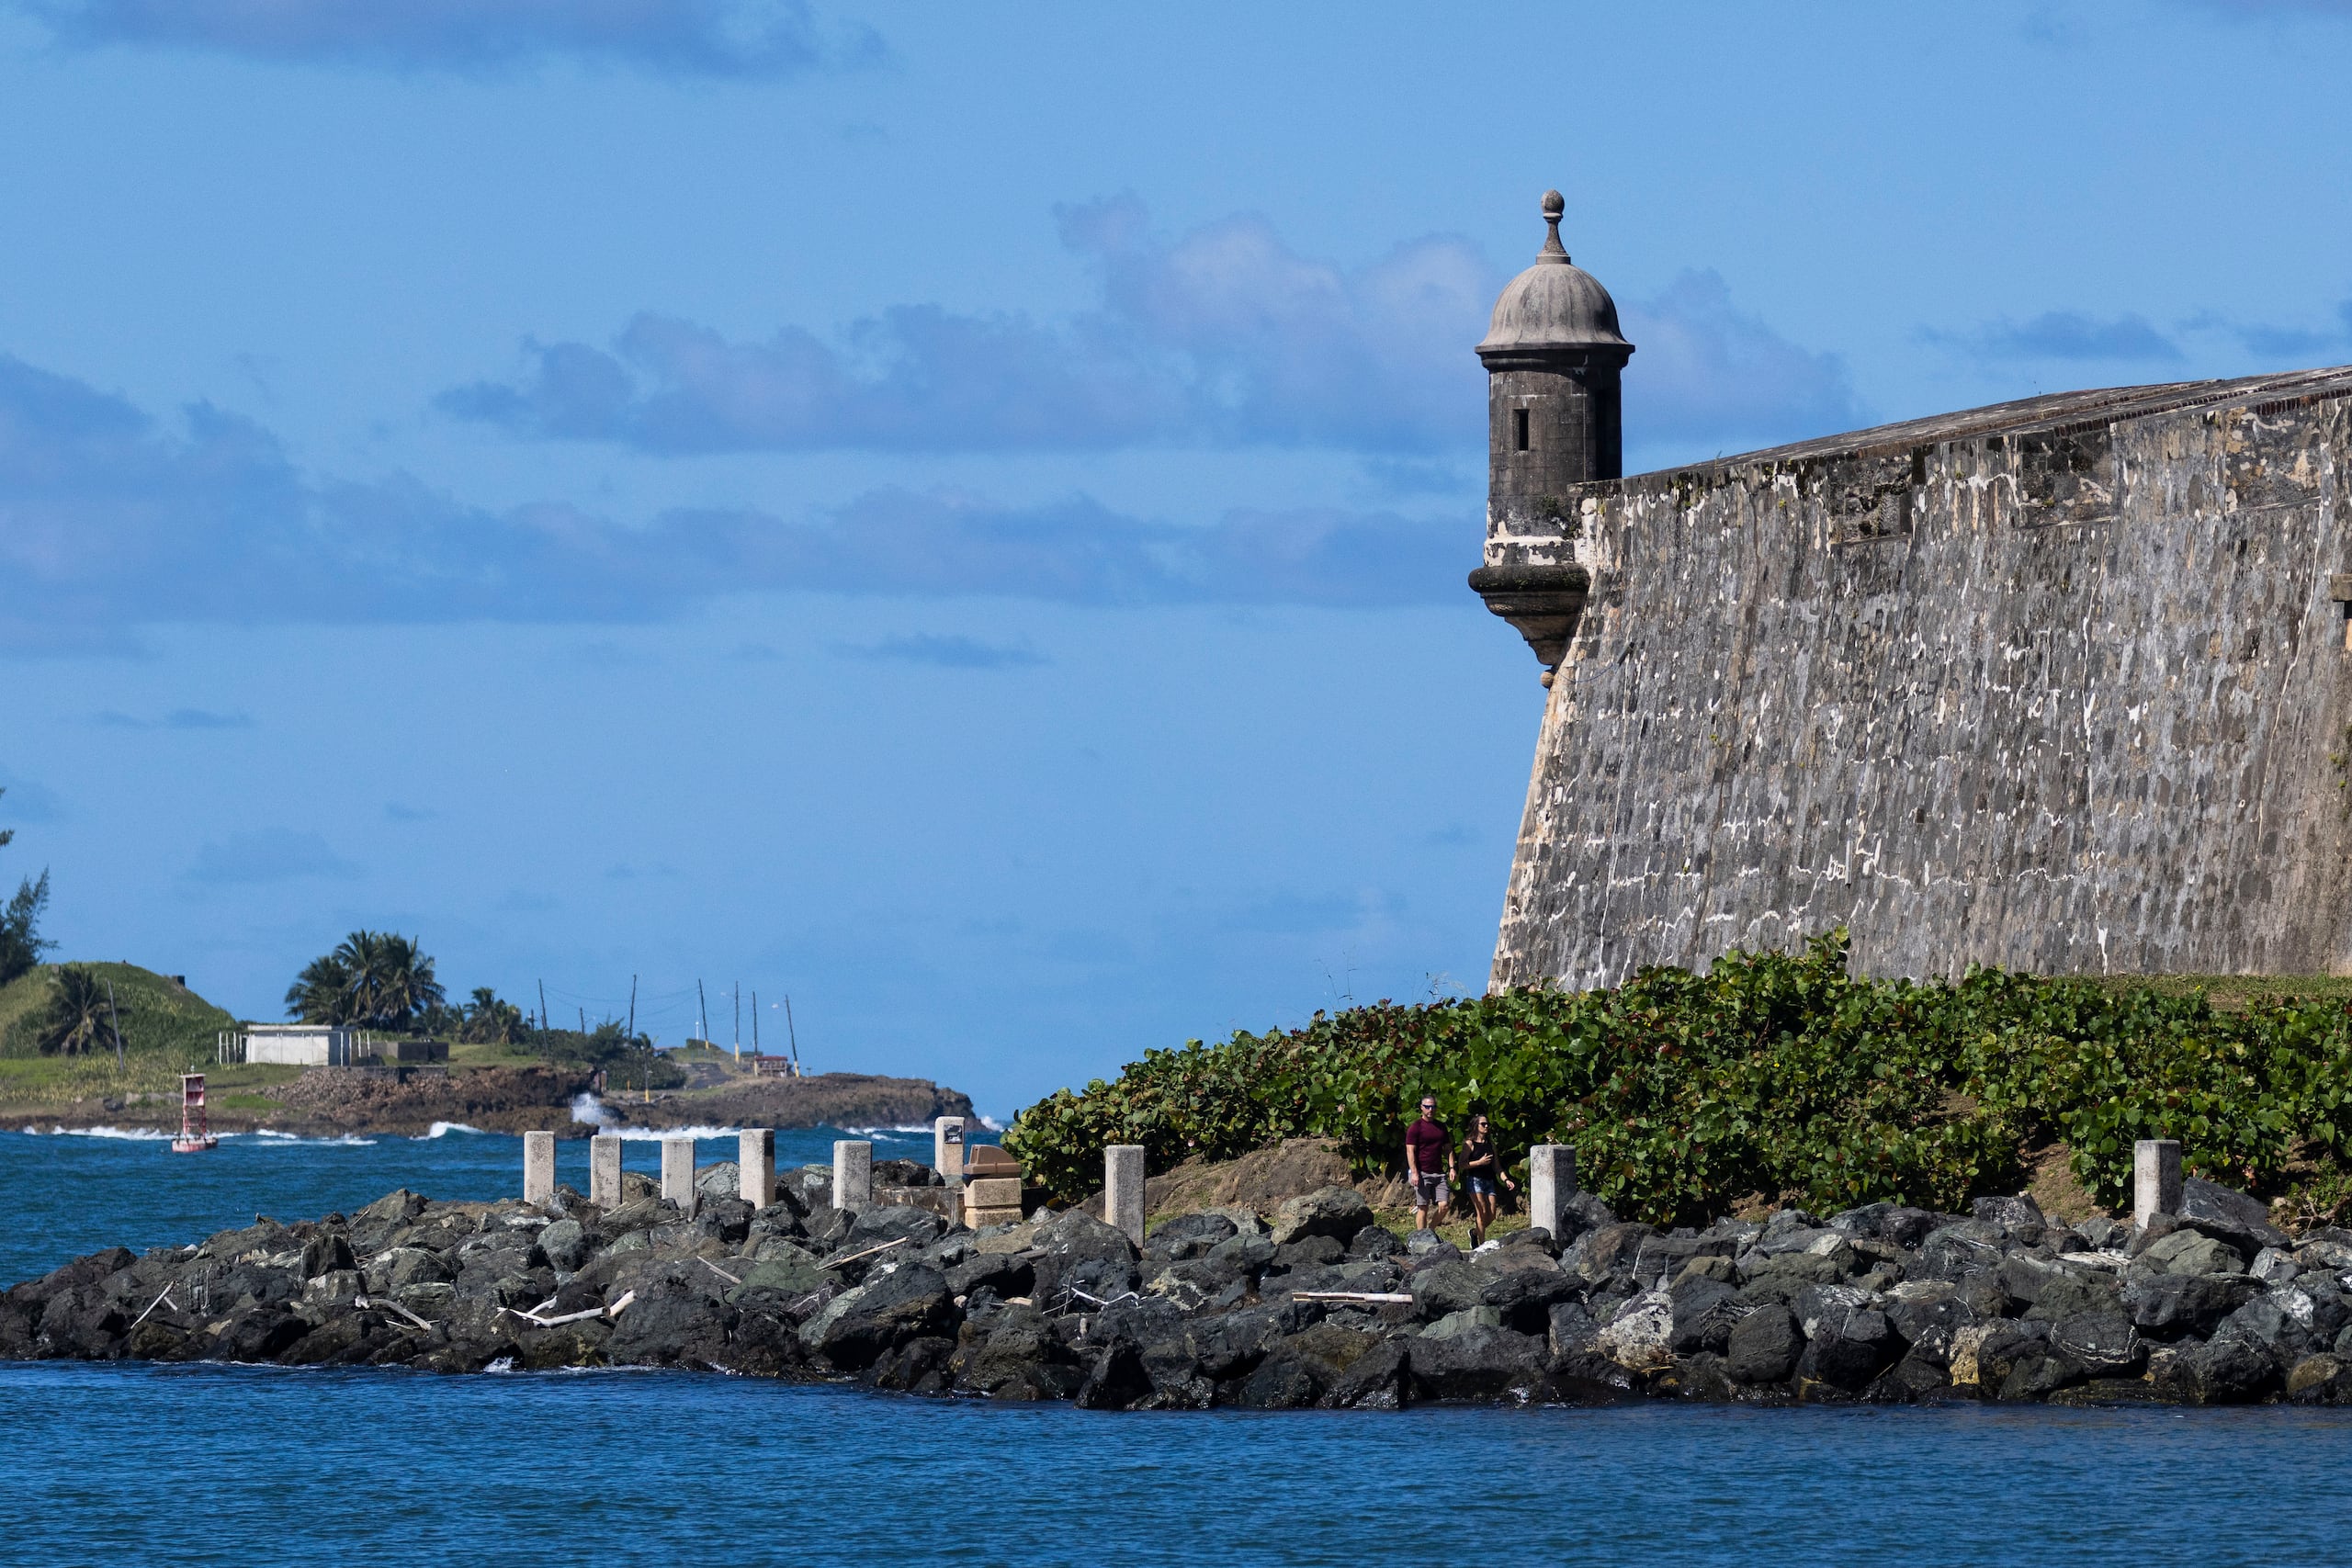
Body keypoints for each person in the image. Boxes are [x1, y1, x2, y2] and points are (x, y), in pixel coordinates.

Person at [1456, 1110, 1515, 1246]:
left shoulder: (1490, 1145)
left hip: (1489, 1180)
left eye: (1488, 1124)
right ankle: (1482, 1244)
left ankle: (1475, 1233)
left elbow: (1497, 1166)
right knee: (1481, 1211)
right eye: (1483, 1124)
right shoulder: (1469, 1143)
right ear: (1476, 1126)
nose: (1486, 1126)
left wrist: (1506, 1179)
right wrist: (1479, 1162)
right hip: (1475, 1180)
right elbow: (1462, 1164)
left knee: (1492, 1214)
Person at [1404, 1095, 1452, 1232]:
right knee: (1423, 1206)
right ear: (1421, 1108)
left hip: (1438, 1172)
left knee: (1445, 1205)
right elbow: (1410, 1151)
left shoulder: (1441, 1127)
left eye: (1433, 1107)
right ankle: (1420, 1237)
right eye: (1427, 1107)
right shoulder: (1416, 1127)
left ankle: (1430, 1231)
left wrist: (1452, 1167)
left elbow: (1448, 1149)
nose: (1430, 1109)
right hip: (1422, 1172)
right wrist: (1414, 1173)